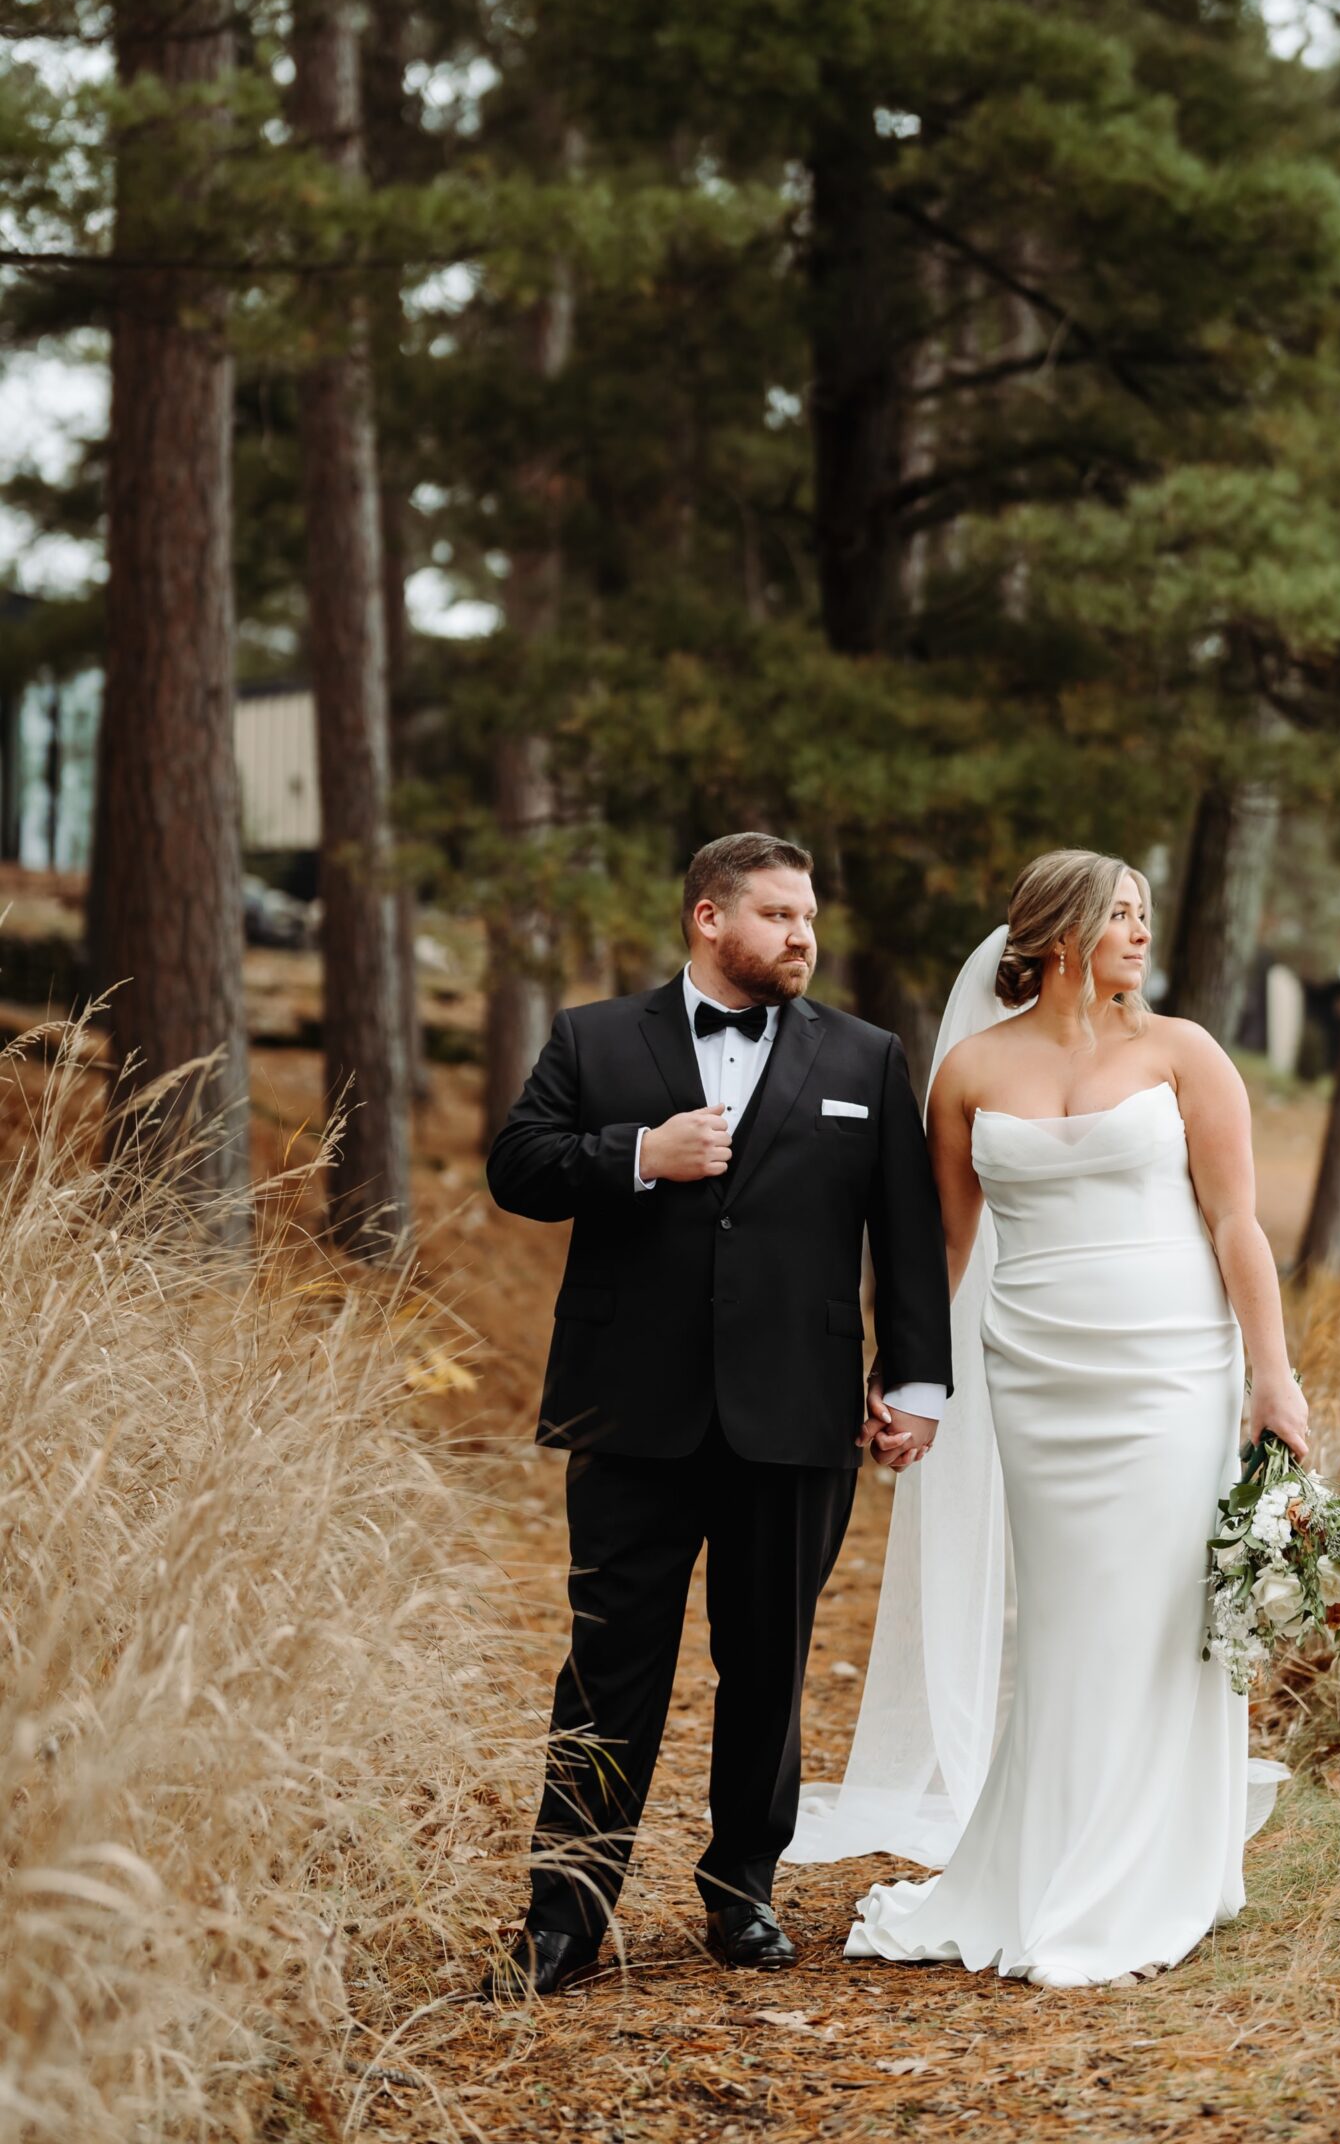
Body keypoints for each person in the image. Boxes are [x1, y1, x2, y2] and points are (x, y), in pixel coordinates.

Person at [794, 847, 1306, 1988]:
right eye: (1119, 913)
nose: (1138, 931)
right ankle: (1049, 1851)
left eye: (1144, 912)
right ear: (1059, 930)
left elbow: (1237, 1225)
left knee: (1162, 1608)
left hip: (1173, 1367)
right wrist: (910, 1377)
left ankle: (1155, 1863)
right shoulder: (971, 1069)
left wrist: (1272, 1377)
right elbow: (944, 1246)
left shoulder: (1184, 1054)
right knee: (1073, 1617)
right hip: (1036, 1371)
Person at [479, 832, 952, 1998]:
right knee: (609, 1669)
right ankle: (565, 1916)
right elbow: (518, 1166)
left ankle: (742, 1892)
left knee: (767, 1664)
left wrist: (918, 1378)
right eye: (781, 915)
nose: (804, 936)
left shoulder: (867, 1053)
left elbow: (906, 1231)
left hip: (797, 1414)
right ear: (708, 918)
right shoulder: (595, 1037)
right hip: (631, 1408)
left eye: (809, 918)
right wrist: (639, 1152)